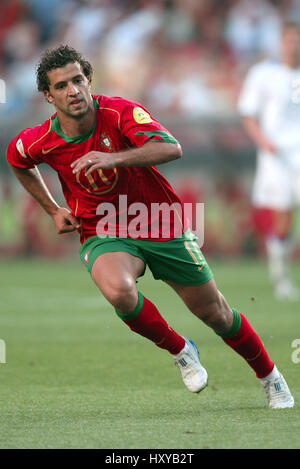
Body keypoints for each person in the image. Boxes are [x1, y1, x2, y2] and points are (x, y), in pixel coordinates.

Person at [7, 45, 294, 409]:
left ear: (88, 79)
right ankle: (180, 349)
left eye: (78, 80)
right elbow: (17, 159)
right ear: (48, 96)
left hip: (157, 219)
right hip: (102, 228)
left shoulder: (119, 111)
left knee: (215, 313)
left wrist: (112, 157)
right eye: (61, 86)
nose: (73, 91)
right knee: (118, 292)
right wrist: (51, 209)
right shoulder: (41, 139)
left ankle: (270, 376)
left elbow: (171, 147)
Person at [238, 21, 300, 301]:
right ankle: (281, 277)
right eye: (290, 39)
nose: (294, 45)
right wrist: (264, 142)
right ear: (281, 41)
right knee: (283, 215)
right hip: (277, 154)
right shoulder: (264, 74)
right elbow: (248, 113)